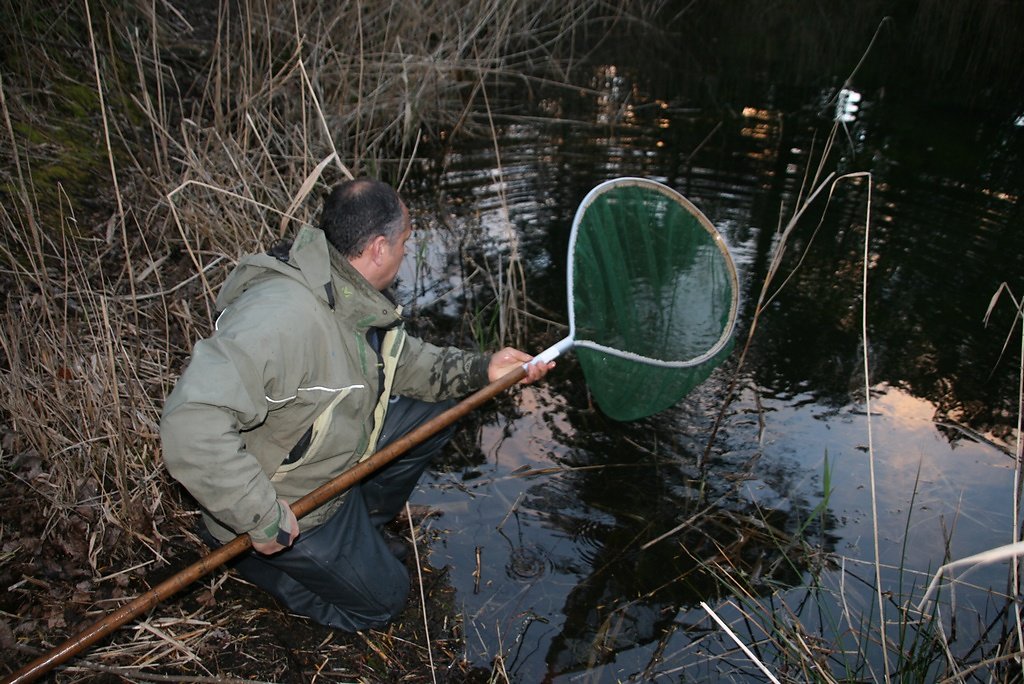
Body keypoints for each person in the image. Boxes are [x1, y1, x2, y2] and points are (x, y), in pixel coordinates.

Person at [160, 178, 553, 631]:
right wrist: (261, 516)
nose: (407, 254)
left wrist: (483, 369)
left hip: (331, 463)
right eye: (406, 241)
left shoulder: (347, 290)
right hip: (287, 500)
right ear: (380, 247)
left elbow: (403, 361)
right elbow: (190, 422)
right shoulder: (280, 318)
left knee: (445, 410)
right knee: (384, 602)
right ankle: (261, 564)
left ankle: (361, 521)